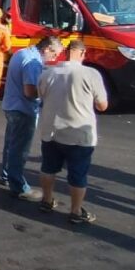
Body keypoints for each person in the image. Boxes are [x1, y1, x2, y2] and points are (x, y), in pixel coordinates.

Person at [36, 39, 109, 224]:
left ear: (65, 53)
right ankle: (75, 211)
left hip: (51, 130)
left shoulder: (48, 73)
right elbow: (102, 105)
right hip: (78, 135)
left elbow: (41, 95)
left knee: (48, 168)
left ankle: (46, 200)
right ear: (83, 54)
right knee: (78, 174)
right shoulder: (91, 74)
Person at [1, 35, 64, 199]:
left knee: (11, 145)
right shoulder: (33, 62)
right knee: (19, 150)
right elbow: (29, 92)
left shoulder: (22, 53)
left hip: (11, 106)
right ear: (47, 49)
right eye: (54, 54)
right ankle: (19, 187)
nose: (54, 58)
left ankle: (7, 176)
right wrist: (47, 94)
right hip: (23, 110)